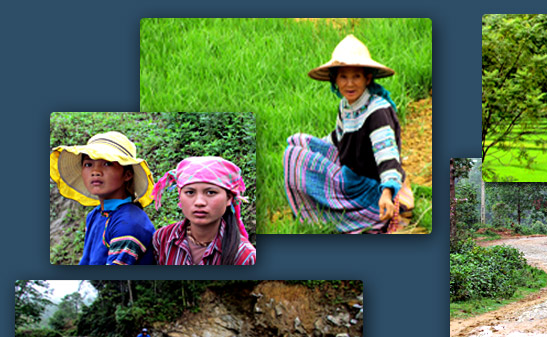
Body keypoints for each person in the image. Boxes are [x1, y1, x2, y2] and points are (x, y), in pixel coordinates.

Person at [283, 34, 414, 233]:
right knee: (297, 141)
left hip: (368, 186)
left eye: (356, 76)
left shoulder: (377, 111)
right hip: (351, 168)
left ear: (367, 78)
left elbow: (386, 155)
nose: (349, 84)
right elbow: (338, 139)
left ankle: (339, 211)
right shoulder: (346, 105)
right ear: (335, 79)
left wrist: (386, 193)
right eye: (343, 77)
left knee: (293, 157)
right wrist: (314, 151)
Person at [50, 131, 155, 265]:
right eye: (88, 164)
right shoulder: (95, 215)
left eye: (107, 164)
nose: (95, 172)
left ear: (127, 174)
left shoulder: (129, 224)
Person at [151, 157, 256, 265]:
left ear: (229, 198)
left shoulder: (245, 257)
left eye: (210, 192)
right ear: (180, 196)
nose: (199, 202)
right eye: (190, 192)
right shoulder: (162, 239)